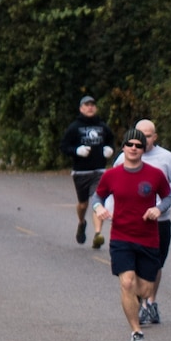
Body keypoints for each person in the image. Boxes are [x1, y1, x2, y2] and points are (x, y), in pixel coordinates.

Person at [93, 131, 171, 341]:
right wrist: (98, 207)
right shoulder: (112, 175)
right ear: (124, 147)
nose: (134, 148)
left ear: (143, 148)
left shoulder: (155, 174)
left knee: (145, 290)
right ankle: (136, 331)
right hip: (121, 237)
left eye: (139, 144)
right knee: (126, 282)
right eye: (130, 144)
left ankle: (137, 301)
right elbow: (98, 196)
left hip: (148, 238)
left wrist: (158, 208)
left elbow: (168, 196)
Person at [108, 119, 171, 326]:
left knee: (155, 263)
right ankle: (140, 306)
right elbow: (112, 186)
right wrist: (110, 210)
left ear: (155, 137)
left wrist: (159, 207)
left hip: (159, 221)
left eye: (148, 136)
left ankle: (150, 301)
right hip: (129, 222)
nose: (142, 140)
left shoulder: (166, 158)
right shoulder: (122, 158)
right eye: (139, 134)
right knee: (131, 270)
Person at [61, 95, 116, 247]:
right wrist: (76, 150)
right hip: (80, 172)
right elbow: (64, 146)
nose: (90, 107)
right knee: (83, 204)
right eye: (87, 105)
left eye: (92, 104)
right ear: (81, 108)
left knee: (97, 201)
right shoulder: (74, 127)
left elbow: (111, 139)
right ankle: (81, 222)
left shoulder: (103, 126)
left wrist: (109, 149)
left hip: (99, 171)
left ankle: (98, 234)